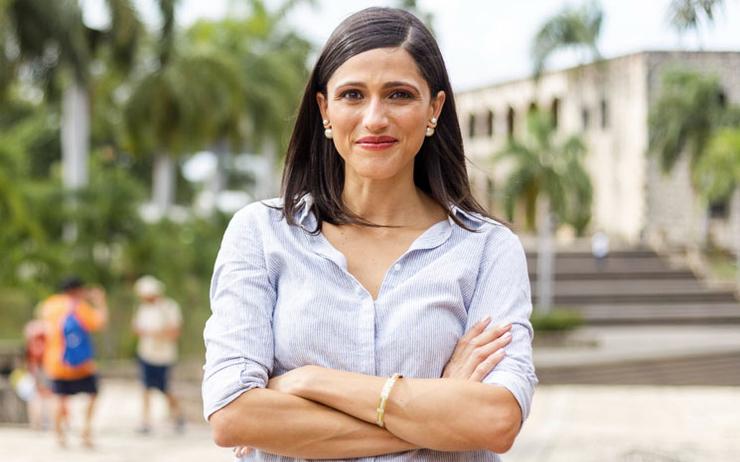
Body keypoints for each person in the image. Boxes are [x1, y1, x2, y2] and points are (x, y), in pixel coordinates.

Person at [203, 7, 537, 461]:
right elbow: (233, 416)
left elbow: (495, 421)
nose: (375, 118)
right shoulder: (261, 234)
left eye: (399, 95)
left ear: (434, 108)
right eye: (352, 95)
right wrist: (438, 408)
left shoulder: (486, 249)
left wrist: (308, 381)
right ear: (324, 109)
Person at [38, 276, 108, 448]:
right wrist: (100, 302)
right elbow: (99, 323)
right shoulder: (80, 307)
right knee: (92, 394)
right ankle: (86, 430)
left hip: (55, 362)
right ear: (76, 290)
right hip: (80, 364)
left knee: (60, 398)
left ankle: (59, 434)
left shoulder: (49, 305)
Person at [131, 275, 185, 434]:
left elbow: (175, 331)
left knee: (165, 388)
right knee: (146, 388)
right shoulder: (143, 309)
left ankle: (178, 415)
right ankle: (145, 421)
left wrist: (156, 334)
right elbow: (136, 328)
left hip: (164, 356)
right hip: (146, 353)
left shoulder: (169, 307)